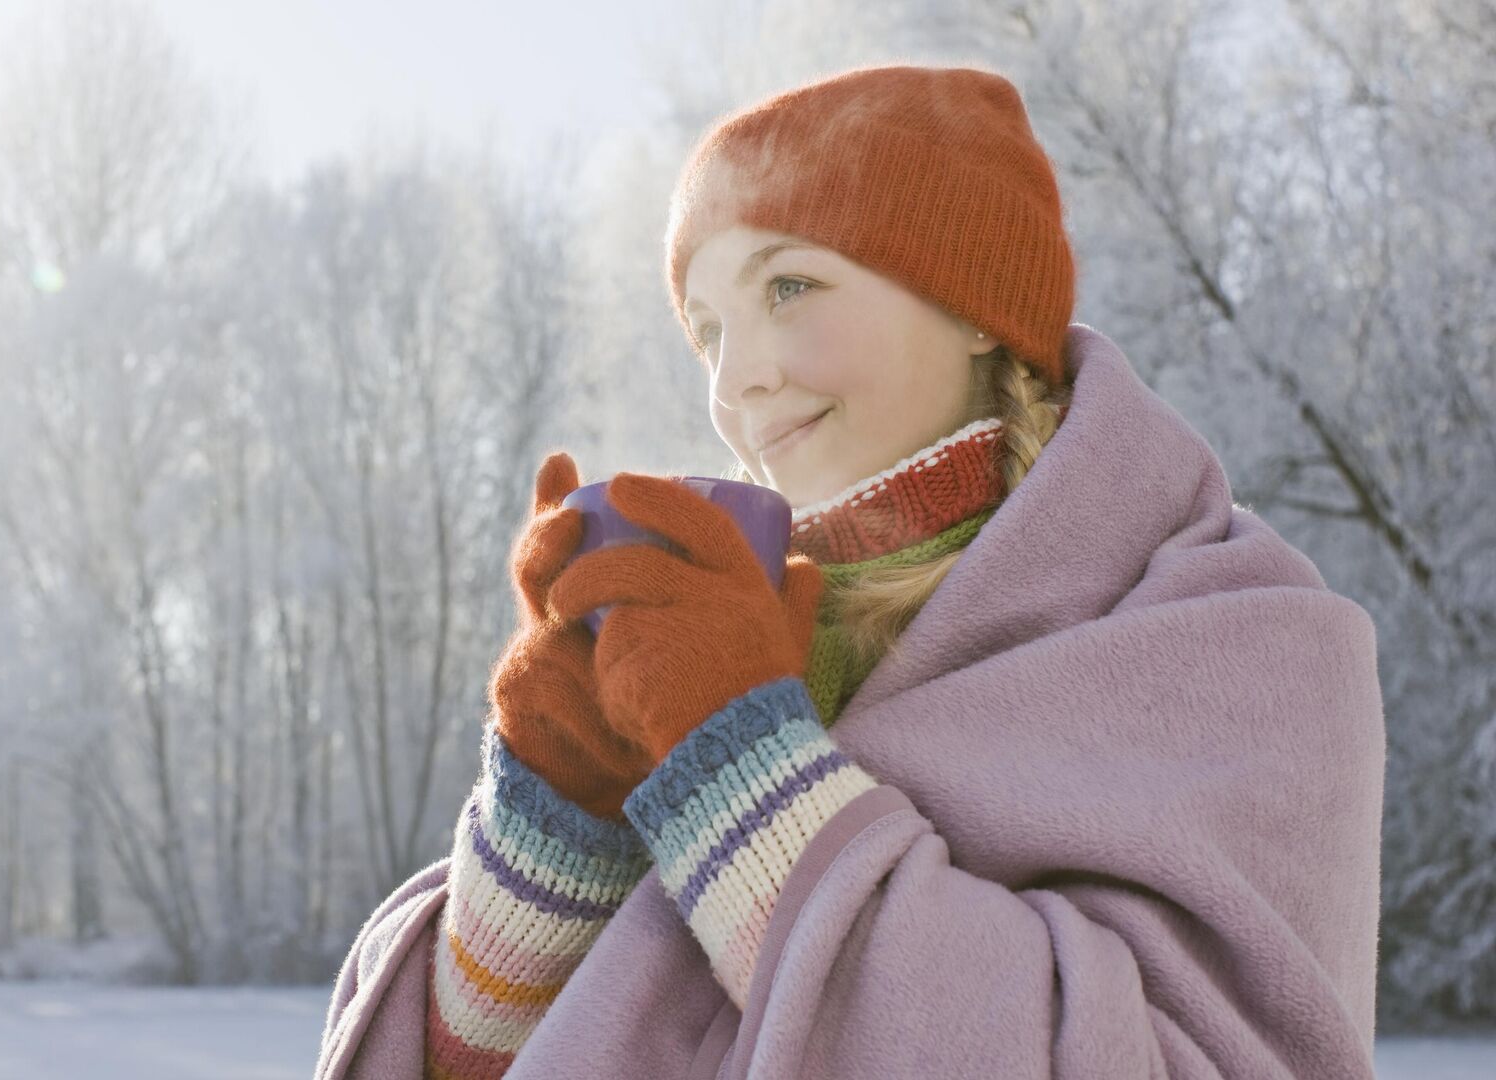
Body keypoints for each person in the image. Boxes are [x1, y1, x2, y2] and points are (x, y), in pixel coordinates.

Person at [314, 64, 1385, 1080]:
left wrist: (742, 771)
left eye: (789, 285)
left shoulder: (1245, 644)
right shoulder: (732, 634)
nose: (739, 381)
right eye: (707, 330)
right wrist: (554, 828)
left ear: (972, 305)